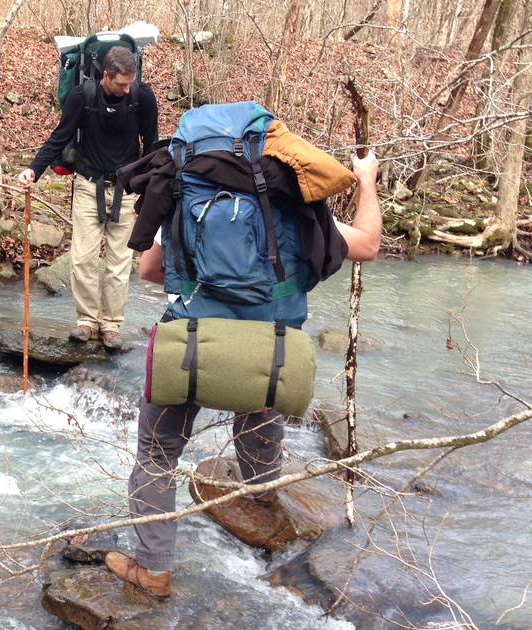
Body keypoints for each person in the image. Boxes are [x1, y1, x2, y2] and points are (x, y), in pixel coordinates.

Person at [106, 148, 383, 600]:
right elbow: (368, 246)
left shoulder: (184, 198)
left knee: (156, 455)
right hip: (268, 355)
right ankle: (261, 492)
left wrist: (206, 285)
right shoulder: (295, 206)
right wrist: (365, 179)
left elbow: (150, 269)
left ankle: (154, 570)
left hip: (191, 347)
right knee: (263, 384)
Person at [17, 45, 159, 350]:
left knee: (119, 264)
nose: (125, 89)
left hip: (127, 189)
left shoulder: (142, 97)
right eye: (120, 83)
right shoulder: (83, 96)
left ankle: (111, 326)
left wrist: (150, 190)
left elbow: (152, 147)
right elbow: (61, 136)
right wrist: (34, 170)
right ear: (105, 75)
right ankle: (86, 322)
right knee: (82, 259)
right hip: (88, 184)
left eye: (130, 83)